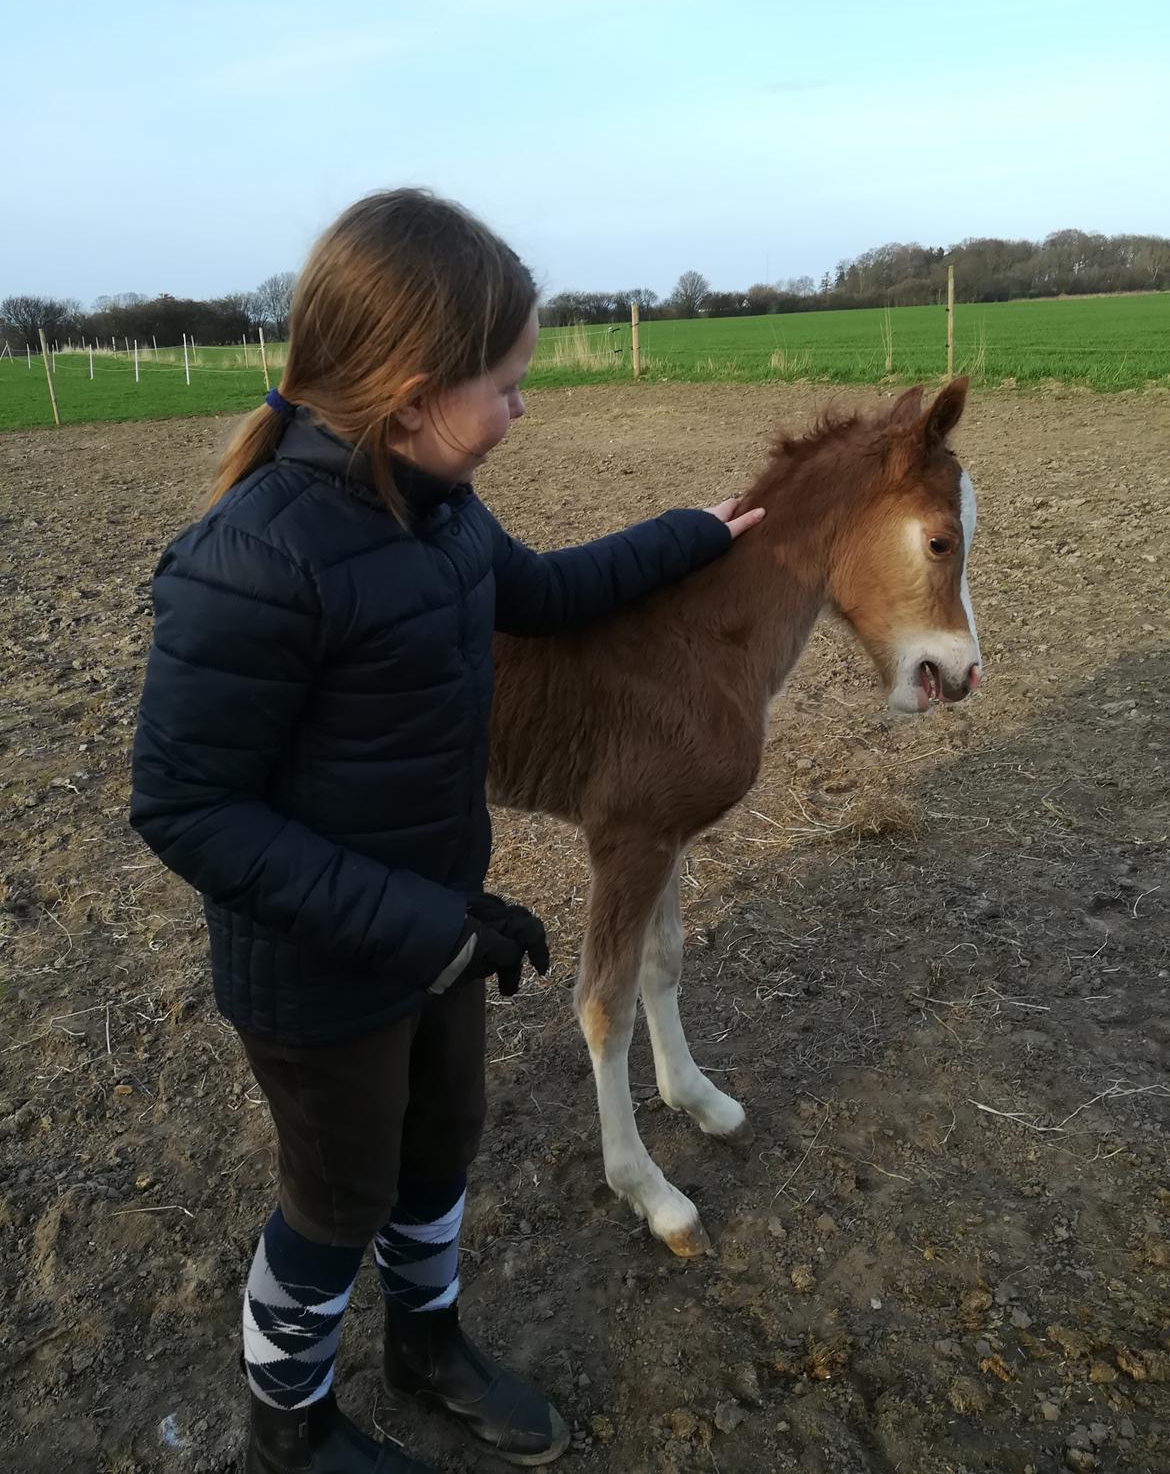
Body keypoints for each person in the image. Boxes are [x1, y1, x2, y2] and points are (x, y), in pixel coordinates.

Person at [130, 188, 764, 1473]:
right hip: (318, 974)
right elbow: (185, 806)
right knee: (336, 1199)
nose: (523, 408)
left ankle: (428, 1343)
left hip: (438, 938)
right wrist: (422, 925)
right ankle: (290, 1427)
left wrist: (694, 536)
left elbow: (541, 593)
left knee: (439, 1152)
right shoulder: (251, 560)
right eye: (510, 384)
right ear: (417, 393)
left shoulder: (440, 509)